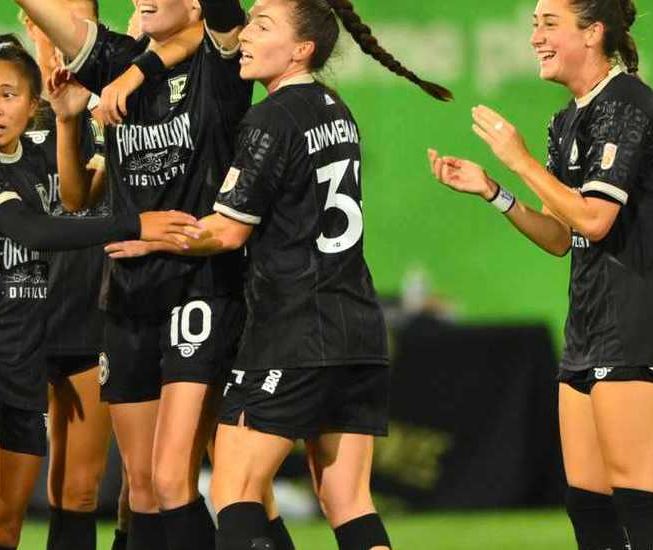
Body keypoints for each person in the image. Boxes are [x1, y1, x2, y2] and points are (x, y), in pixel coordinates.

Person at [107, 1, 448, 549]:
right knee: (350, 503)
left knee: (235, 490)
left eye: (262, 26)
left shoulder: (271, 118)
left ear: (301, 49)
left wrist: (145, 232)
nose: (244, 36)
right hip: (358, 329)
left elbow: (227, 231)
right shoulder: (336, 110)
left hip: (294, 330)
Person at [428, 1, 653, 548]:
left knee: (638, 505)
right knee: (588, 507)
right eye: (533, 26)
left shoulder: (628, 104)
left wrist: (519, 161)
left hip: (635, 323)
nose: (535, 38)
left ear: (594, 32)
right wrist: (494, 192)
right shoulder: (567, 119)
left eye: (549, 24)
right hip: (589, 329)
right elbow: (559, 235)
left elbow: (596, 220)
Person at [0, 34, 196, 550]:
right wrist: (135, 225)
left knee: (2, 525)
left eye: (7, 94)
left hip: (21, 359)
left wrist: (69, 122)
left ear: (31, 103)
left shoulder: (35, 157)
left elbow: (71, 198)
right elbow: (35, 231)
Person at [17, 1, 254, 548]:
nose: (139, 0)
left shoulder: (217, 68)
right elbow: (78, 199)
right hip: (127, 289)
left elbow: (223, 18)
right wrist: (77, 111)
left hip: (200, 288)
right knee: (142, 487)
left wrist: (141, 68)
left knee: (184, 480)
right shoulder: (117, 61)